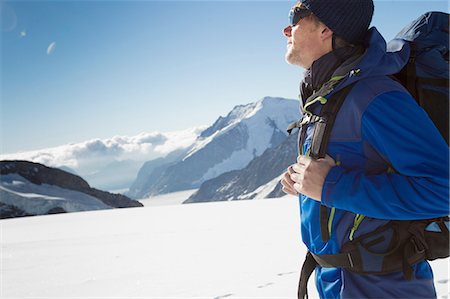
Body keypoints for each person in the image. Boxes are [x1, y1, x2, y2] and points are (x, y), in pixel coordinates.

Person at [280, 0, 449, 298]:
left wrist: (332, 186)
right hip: (337, 281)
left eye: (295, 17)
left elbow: (444, 189)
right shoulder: (326, 98)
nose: (286, 29)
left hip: (384, 286)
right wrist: (306, 182)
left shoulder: (374, 95)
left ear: (327, 29)